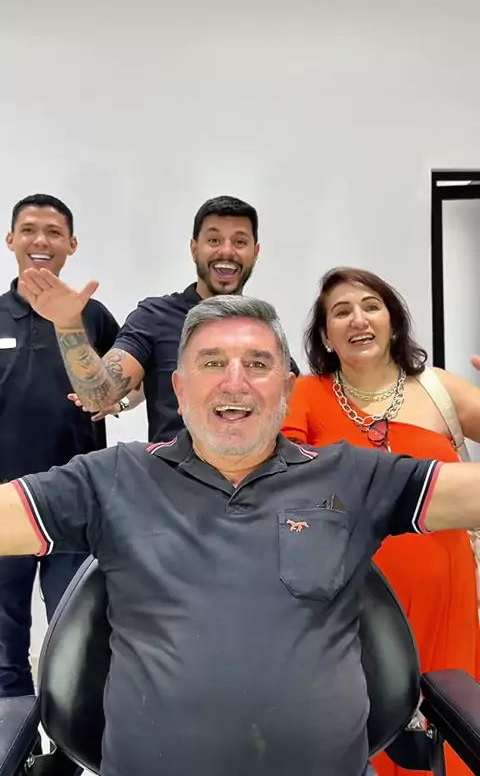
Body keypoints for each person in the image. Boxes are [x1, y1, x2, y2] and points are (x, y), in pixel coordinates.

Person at [2, 294, 480, 776]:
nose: (235, 382)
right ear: (180, 388)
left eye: (258, 364)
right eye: (212, 363)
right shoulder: (112, 478)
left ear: (287, 387)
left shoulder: (353, 476)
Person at [280, 266, 480, 776]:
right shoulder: (306, 393)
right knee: (359, 730)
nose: (358, 319)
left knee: (449, 724)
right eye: (340, 312)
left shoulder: (437, 389)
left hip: (446, 595)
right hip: (352, 601)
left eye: (371, 306)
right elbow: (278, 481)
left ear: (393, 321)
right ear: (326, 336)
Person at [26, 195, 299, 441]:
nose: (227, 251)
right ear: (194, 248)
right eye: (214, 240)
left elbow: (291, 412)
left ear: (255, 252)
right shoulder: (154, 318)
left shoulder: (263, 329)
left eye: (240, 242)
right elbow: (99, 395)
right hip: (171, 479)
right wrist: (68, 324)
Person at [0, 193, 120, 700]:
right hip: (5, 504)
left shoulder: (92, 317)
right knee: (3, 650)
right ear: (11, 240)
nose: (41, 241)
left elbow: (120, 388)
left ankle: (68, 740)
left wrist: (118, 398)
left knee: (76, 642)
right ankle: (13, 739)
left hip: (76, 505)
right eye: (29, 230)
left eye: (54, 232)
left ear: (72, 244)